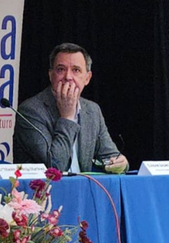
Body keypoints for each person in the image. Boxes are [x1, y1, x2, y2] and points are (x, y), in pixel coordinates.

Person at [13, 42, 128, 173]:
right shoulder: (30, 111)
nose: (68, 77)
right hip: (45, 191)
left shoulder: (92, 110)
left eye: (76, 70)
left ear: (87, 78)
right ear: (51, 75)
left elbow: (110, 156)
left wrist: (121, 163)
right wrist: (67, 117)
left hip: (84, 189)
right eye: (61, 69)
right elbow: (55, 168)